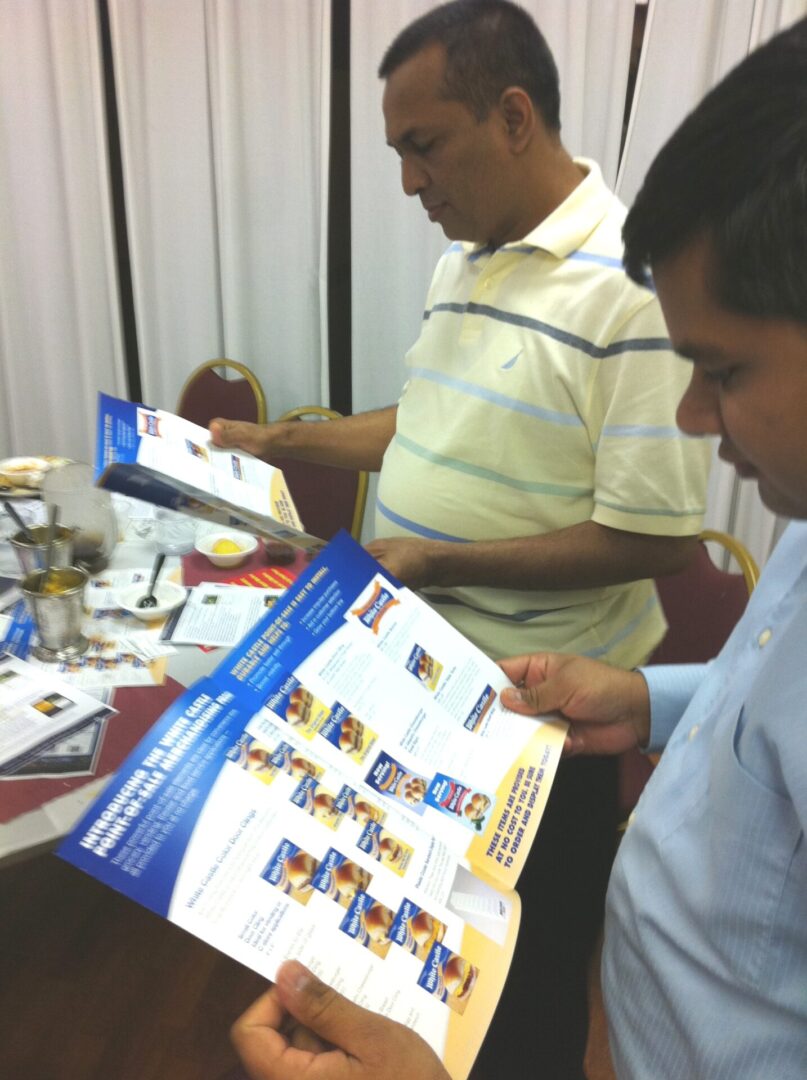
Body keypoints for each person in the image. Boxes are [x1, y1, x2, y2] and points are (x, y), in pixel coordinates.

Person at [230, 15, 807, 1080]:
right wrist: (279, 440)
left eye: (425, 144)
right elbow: (427, 419)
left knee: (523, 993)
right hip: (432, 684)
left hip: (534, 719)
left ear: (512, 117)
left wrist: (436, 559)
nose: (408, 180)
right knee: (420, 967)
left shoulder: (631, 284)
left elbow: (653, 532)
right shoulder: (467, 265)